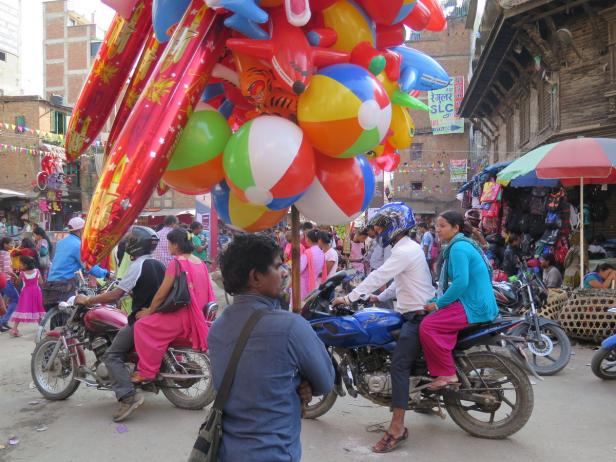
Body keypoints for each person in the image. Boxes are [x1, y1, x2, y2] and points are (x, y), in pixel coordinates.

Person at [208, 234, 334, 462]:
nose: (285, 272)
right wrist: (302, 385)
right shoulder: (290, 326)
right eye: (277, 266)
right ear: (256, 277)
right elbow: (325, 382)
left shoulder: (217, 327)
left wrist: (295, 384)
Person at [332, 203, 434, 453]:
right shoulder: (408, 248)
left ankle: (397, 428)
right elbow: (400, 281)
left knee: (399, 365)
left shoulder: (403, 251)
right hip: (411, 311)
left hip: (417, 316)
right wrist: (378, 298)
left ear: (393, 225)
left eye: (381, 226)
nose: (377, 231)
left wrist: (350, 298)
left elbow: (380, 275)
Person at [75, 226, 165, 422]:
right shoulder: (158, 264)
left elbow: (116, 294)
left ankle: (127, 396)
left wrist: (89, 300)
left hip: (143, 321)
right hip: (160, 318)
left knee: (112, 354)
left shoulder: (138, 266)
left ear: (134, 245)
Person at [421, 210, 498, 389]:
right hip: (474, 301)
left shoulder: (458, 248)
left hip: (473, 304)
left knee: (428, 326)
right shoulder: (460, 245)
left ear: (455, 228)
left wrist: (438, 304)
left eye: (442, 226)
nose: (437, 230)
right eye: (436, 226)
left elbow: (460, 283)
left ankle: (448, 373)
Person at [131, 228, 215, 382]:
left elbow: (161, 293)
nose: (168, 246)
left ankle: (146, 372)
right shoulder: (200, 262)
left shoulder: (177, 263)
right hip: (198, 316)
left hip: (183, 317)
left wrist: (149, 311)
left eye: (169, 243)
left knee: (141, 325)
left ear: (176, 245)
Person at [43, 217, 109, 315]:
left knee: (57, 316)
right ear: (81, 230)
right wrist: (106, 274)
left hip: (51, 283)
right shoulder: (78, 245)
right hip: (65, 285)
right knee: (76, 314)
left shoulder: (61, 242)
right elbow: (88, 265)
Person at [8, 256, 45, 337]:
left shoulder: (22, 274)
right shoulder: (37, 271)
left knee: (21, 309)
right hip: (36, 292)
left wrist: (15, 276)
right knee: (37, 308)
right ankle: (41, 327)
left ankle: (14, 328)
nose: (20, 265)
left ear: (25, 265)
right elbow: (41, 282)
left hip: (26, 293)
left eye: (21, 264)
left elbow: (17, 283)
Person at [299, 229, 327, 300]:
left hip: (303, 286)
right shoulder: (321, 253)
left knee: (300, 307)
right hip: (315, 284)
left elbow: (299, 269)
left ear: (307, 239)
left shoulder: (308, 253)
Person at [0, 237, 18, 332]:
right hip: (5, 280)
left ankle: (2, 322)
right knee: (16, 299)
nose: (12, 245)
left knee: (1, 302)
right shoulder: (6, 254)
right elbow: (7, 269)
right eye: (11, 243)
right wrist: (15, 275)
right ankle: (3, 320)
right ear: (5, 244)